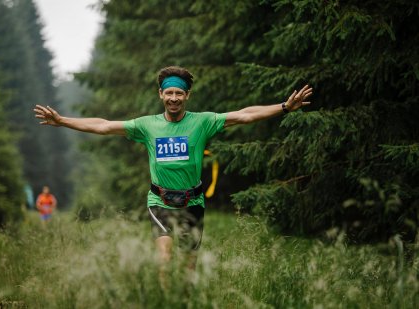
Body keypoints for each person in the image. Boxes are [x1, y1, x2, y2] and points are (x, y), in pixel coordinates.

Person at [34, 66, 312, 285]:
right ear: (160, 95)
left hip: (193, 203)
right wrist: (62, 121)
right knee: (165, 259)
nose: (174, 98)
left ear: (187, 96)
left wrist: (285, 107)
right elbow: (104, 126)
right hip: (160, 203)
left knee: (189, 266)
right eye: (169, 93)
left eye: (179, 93)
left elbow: (245, 115)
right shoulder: (146, 126)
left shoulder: (202, 121)